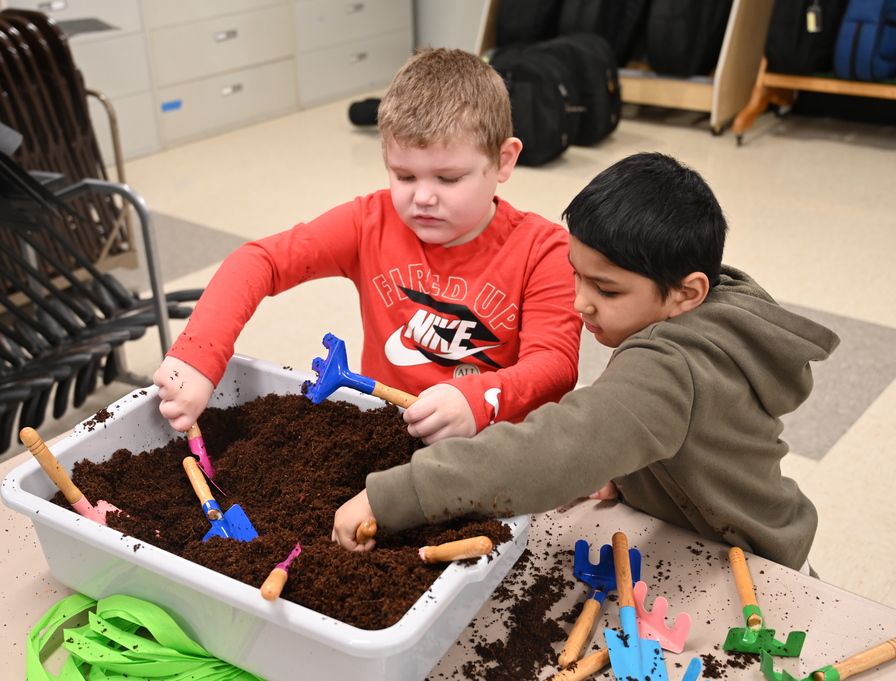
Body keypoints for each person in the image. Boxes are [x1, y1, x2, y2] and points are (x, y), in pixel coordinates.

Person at [333, 152, 840, 572]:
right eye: (577, 275)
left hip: (751, 565)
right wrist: (636, 472)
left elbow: (555, 449)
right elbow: (673, 428)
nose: (581, 303)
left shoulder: (672, 366)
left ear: (688, 292)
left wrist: (395, 496)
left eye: (607, 288)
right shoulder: (714, 311)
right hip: (707, 533)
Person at [153, 48, 581, 444]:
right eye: (404, 176)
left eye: (448, 178)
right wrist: (199, 356)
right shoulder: (369, 221)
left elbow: (554, 365)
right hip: (384, 433)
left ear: (504, 160)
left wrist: (479, 399)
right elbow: (259, 261)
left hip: (490, 444)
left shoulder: (544, 250)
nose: (423, 197)